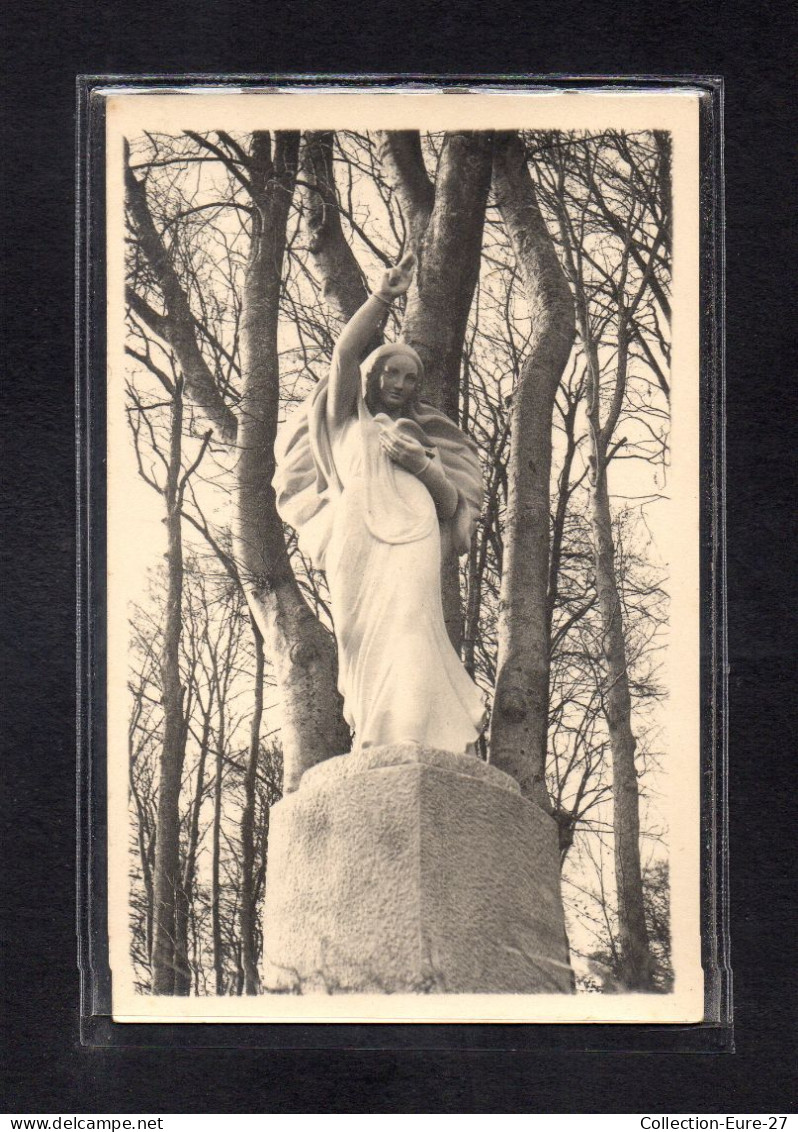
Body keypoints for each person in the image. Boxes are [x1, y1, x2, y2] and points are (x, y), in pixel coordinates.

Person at [274, 253, 485, 755]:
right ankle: (374, 735)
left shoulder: (424, 435)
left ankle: (411, 737)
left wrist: (423, 465)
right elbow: (345, 354)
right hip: (357, 538)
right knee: (358, 635)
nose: (400, 384)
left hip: (414, 536)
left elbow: (451, 503)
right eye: (391, 373)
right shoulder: (346, 419)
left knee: (413, 628)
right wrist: (383, 296)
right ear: (374, 376)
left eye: (410, 379)